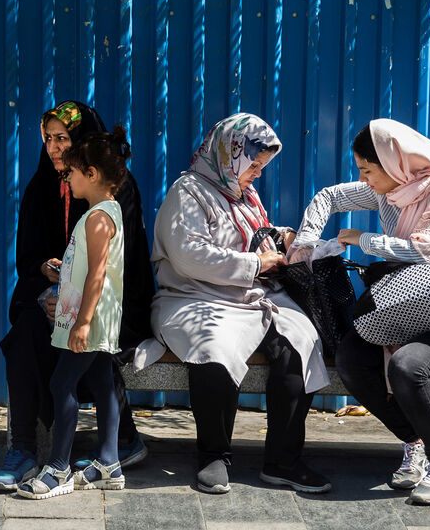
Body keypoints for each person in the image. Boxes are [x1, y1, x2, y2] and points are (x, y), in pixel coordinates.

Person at [289, 119, 430, 506]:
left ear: (394, 164)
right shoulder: (391, 189)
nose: (363, 178)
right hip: (405, 302)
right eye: (360, 170)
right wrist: (307, 242)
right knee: (350, 358)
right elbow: (329, 197)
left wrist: (365, 240)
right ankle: (415, 444)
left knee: (408, 366)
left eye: (367, 170)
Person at [135, 113, 331, 496]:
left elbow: (253, 235)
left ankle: (283, 461)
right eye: (253, 164)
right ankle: (213, 455)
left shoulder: (243, 193)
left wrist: (284, 240)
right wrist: (257, 263)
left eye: (261, 166)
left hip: (251, 295)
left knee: (301, 343)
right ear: (230, 155)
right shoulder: (188, 192)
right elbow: (189, 255)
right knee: (214, 349)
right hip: (194, 296)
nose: (257, 173)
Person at [0, 101, 156, 492]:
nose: (52, 148)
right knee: (25, 334)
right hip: (57, 299)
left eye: (62, 138)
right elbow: (27, 259)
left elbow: (115, 266)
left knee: (86, 363)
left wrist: (72, 303)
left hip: (108, 304)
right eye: (47, 139)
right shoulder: (40, 187)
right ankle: (24, 449)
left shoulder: (114, 191)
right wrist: (48, 279)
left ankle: (75, 460)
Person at [17, 128, 133, 498]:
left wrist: (82, 323)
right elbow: (88, 268)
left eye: (72, 172)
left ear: (92, 174)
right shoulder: (102, 212)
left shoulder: (98, 219)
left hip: (90, 321)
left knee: (60, 384)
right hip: (92, 318)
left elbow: (98, 275)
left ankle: (58, 469)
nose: (67, 178)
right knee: (101, 384)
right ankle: (110, 462)